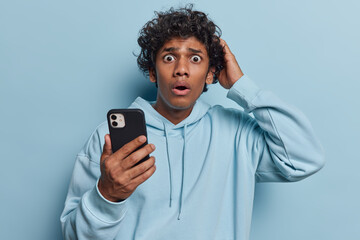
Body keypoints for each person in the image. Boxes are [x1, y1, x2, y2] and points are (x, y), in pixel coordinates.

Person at [60, 5, 325, 240]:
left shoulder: (238, 133)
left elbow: (305, 158)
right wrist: (107, 194)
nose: (182, 69)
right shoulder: (108, 139)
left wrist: (241, 87)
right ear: (153, 72)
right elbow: (74, 236)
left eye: (195, 58)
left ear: (211, 74)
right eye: (169, 57)